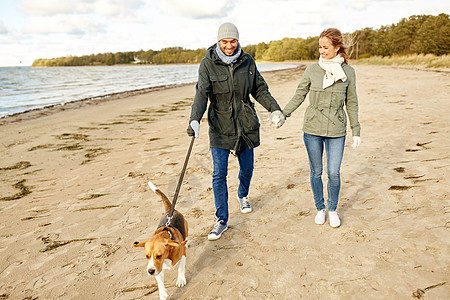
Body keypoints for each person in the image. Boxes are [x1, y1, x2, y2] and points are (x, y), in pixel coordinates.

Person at [187, 22, 285, 240]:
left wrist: (275, 109)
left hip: (245, 125)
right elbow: (201, 94)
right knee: (218, 174)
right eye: (224, 41)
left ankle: (243, 195)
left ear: (238, 40)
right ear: (218, 41)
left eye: (232, 41)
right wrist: (195, 119)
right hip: (220, 127)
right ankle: (221, 220)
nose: (229, 46)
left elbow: (259, 88)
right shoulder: (207, 64)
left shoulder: (248, 61)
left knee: (247, 168)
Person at [282, 28, 361, 228]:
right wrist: (283, 113)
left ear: (337, 47)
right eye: (320, 47)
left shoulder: (348, 72)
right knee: (316, 172)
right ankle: (320, 208)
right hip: (312, 129)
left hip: (337, 130)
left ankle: (333, 209)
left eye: (326, 47)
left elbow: (351, 103)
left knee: (333, 173)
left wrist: (356, 130)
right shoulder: (311, 70)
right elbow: (299, 95)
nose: (322, 51)